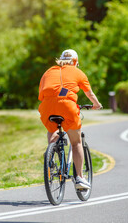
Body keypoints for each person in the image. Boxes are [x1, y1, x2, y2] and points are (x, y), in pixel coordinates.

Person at [38, 49, 102, 190]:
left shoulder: (48, 72)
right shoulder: (78, 72)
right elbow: (89, 93)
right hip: (67, 106)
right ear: (76, 62)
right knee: (76, 142)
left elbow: (41, 94)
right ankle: (79, 177)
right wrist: (96, 105)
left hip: (46, 107)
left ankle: (51, 154)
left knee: (52, 128)